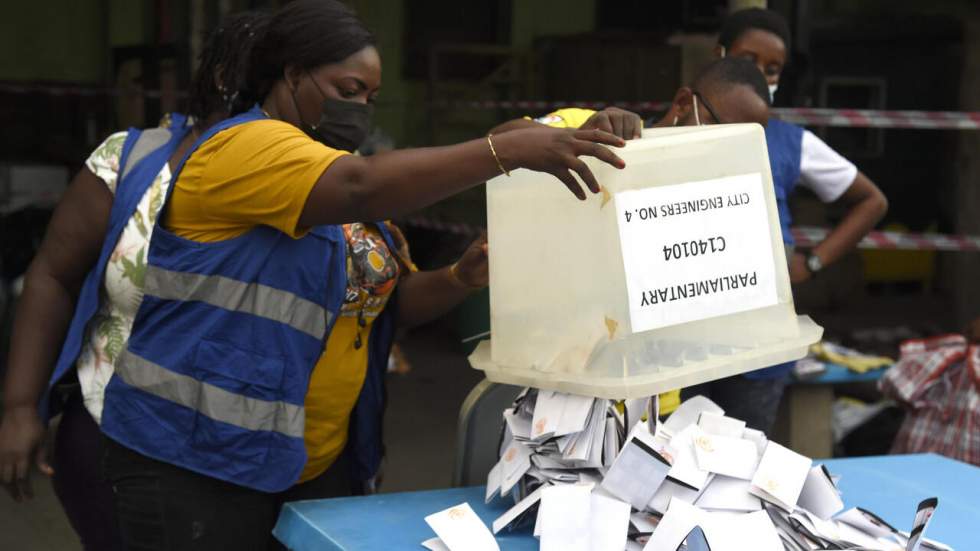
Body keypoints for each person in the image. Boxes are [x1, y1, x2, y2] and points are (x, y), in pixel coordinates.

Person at [6, 1, 626, 549]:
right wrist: (503, 151)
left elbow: (379, 298)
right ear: (292, 75)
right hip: (182, 457)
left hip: (274, 456)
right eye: (348, 89)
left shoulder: (316, 169)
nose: (360, 109)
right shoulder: (245, 149)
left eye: (371, 99)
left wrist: (461, 275)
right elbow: (361, 187)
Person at [0, 12, 269, 550]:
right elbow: (52, 275)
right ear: (226, 77)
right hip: (114, 440)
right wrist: (20, 406)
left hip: (256, 458)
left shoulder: (319, 179)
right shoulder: (131, 161)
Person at [491, 56, 773, 417]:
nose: (726, 147)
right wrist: (575, 139)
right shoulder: (593, 131)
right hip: (558, 389)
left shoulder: (715, 200)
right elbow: (496, 144)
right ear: (684, 103)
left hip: (657, 401)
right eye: (721, 129)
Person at [684, 7, 889, 431]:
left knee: (740, 465)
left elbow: (872, 201)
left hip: (757, 351)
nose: (760, 73)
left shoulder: (789, 142)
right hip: (679, 345)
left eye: (772, 68)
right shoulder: (680, 126)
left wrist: (811, 262)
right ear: (719, 54)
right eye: (746, 59)